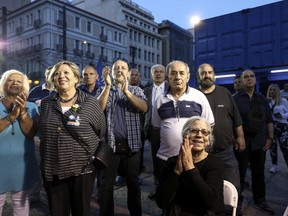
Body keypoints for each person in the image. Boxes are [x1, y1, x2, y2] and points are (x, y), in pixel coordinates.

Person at [38, 60, 106, 216]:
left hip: (82, 169)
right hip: (52, 168)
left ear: (76, 78)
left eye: (66, 72)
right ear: (53, 79)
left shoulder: (90, 103)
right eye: (57, 73)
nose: (61, 76)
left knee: (81, 211)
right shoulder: (47, 103)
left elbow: (100, 130)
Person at [152, 60, 215, 197]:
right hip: (166, 160)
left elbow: (209, 126)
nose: (178, 77)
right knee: (167, 199)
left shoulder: (199, 97)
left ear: (188, 76)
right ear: (168, 77)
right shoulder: (160, 100)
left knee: (191, 198)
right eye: (173, 73)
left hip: (193, 161)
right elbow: (156, 129)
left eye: (181, 73)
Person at [96, 58, 148, 216]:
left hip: (132, 145)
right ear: (111, 72)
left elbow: (144, 107)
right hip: (110, 145)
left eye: (123, 68)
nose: (119, 70)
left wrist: (126, 92)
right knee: (106, 186)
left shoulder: (136, 90)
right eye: (116, 68)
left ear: (128, 72)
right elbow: (98, 109)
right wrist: (107, 86)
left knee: (133, 185)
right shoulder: (104, 89)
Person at [156, 116, 225, 216]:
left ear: (208, 141)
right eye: (194, 130)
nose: (199, 135)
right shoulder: (172, 162)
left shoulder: (215, 163)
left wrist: (190, 168)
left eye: (204, 132)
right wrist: (177, 171)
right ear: (185, 136)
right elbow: (161, 202)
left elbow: (210, 202)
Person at [197, 64, 245, 192]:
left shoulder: (225, 92)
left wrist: (240, 137)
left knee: (233, 187)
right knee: (205, 188)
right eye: (203, 73)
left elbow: (236, 117)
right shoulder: (194, 96)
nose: (207, 75)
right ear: (198, 76)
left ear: (214, 75)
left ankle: (233, 211)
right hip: (202, 153)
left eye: (210, 72)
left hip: (226, 151)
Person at [233, 69, 275, 215]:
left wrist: (270, 138)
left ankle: (260, 200)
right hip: (242, 143)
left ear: (255, 80)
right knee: (240, 174)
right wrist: (235, 139)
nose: (249, 79)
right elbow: (231, 121)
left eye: (252, 76)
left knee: (259, 173)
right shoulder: (235, 99)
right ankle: (236, 201)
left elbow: (269, 120)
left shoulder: (262, 99)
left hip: (259, 142)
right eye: (246, 77)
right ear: (242, 81)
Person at [0, 69, 39, 215]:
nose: (15, 82)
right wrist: (11, 116)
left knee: (21, 202)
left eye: (19, 81)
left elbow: (31, 134)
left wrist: (22, 113)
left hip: (22, 164)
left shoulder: (32, 107)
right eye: (11, 79)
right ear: (4, 83)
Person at [27, 66, 54, 203]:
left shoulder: (61, 91)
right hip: (37, 136)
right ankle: (34, 194)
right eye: (49, 74)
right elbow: (26, 108)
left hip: (55, 137)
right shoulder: (35, 91)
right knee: (36, 164)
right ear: (46, 75)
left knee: (52, 167)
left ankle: (54, 196)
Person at [143, 64, 168, 200]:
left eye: (160, 72)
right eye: (155, 72)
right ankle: (158, 188)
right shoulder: (146, 91)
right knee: (156, 160)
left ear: (165, 74)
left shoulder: (170, 89)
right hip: (153, 130)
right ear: (151, 75)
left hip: (168, 129)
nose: (158, 74)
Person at [266, 84, 288, 173]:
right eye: (270, 89)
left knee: (285, 148)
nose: (272, 91)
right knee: (272, 147)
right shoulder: (267, 102)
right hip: (271, 127)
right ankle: (274, 166)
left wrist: (281, 115)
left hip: (282, 126)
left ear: (277, 91)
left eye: (274, 90)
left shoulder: (283, 101)